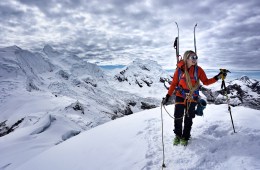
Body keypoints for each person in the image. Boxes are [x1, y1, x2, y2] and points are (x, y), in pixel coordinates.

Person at [162, 50, 223, 146]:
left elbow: (206, 82)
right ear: (186, 58)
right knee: (178, 116)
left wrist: (218, 77)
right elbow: (174, 84)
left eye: (196, 57)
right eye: (192, 57)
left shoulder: (198, 70)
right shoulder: (179, 70)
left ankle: (185, 137)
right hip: (180, 95)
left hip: (192, 96)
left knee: (188, 117)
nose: (195, 59)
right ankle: (178, 135)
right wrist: (167, 96)